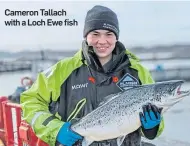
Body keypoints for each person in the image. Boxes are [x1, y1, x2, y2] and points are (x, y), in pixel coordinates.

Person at [20, 5, 164, 146]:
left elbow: (157, 120)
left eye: (109, 34)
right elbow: (30, 100)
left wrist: (151, 128)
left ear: (116, 37)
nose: (102, 41)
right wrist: (55, 129)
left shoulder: (137, 72)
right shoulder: (62, 70)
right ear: (86, 36)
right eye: (95, 34)